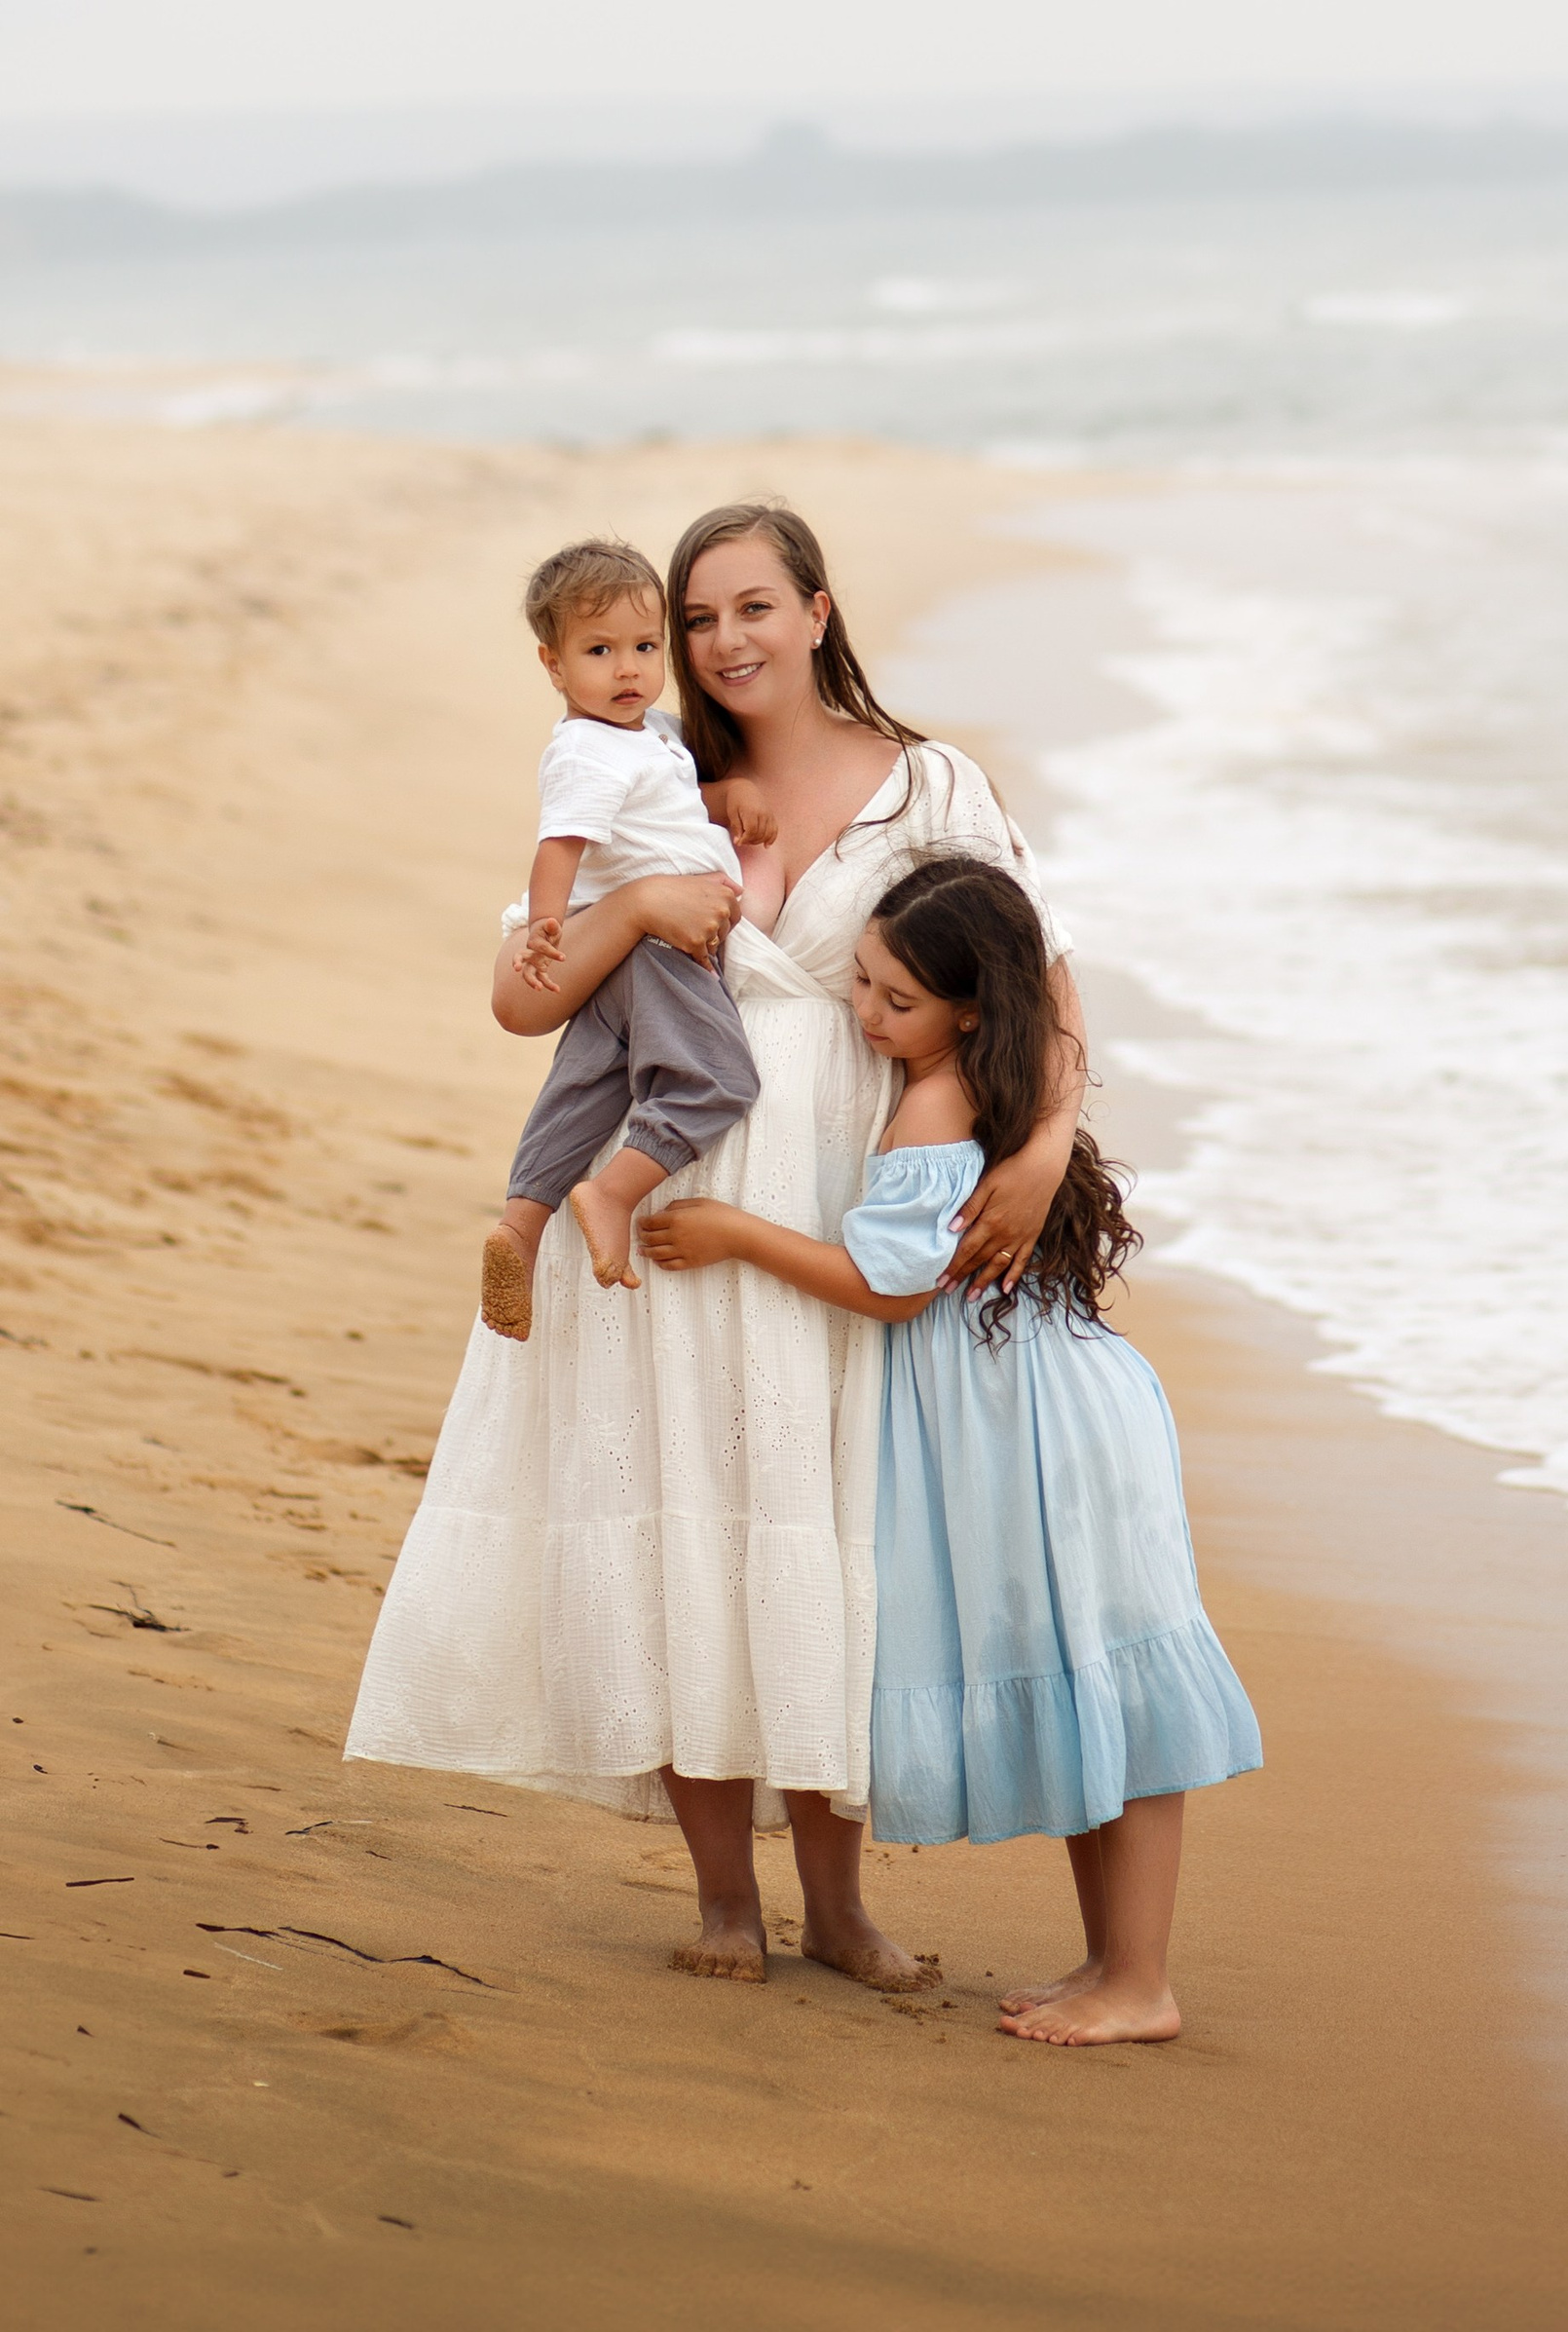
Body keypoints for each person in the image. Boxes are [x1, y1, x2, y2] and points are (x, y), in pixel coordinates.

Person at [347, 493, 1082, 1992]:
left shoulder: (931, 787)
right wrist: (643, 911)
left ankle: (842, 1906)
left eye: (756, 606)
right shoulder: (642, 777)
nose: (722, 639)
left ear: (819, 610)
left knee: (819, 1527)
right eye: (696, 617)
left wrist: (1048, 1149)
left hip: (837, 1204)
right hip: (663, 1193)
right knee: (680, 1513)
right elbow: (522, 998)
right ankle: (723, 1903)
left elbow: (1042, 986)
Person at [643, 852, 1262, 2048]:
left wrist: (732, 1230)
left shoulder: (936, 1101)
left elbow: (887, 1287)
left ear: (969, 1008)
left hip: (1032, 1425)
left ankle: (1139, 1980)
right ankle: (1114, 1964)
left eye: (895, 1000)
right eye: (861, 983)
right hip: (1055, 1406)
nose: (866, 1014)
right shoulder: (1005, 1069)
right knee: (1095, 1672)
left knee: (1112, 1676)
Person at [480, 537, 781, 1343]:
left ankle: (520, 1222)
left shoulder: (648, 735)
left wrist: (727, 795)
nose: (627, 670)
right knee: (717, 1078)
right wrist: (546, 929)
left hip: (625, 953)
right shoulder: (584, 749)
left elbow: (667, 809)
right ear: (553, 665)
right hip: (651, 949)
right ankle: (612, 1191)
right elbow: (561, 844)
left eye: (645, 648)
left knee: (588, 1085)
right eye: (600, 651)